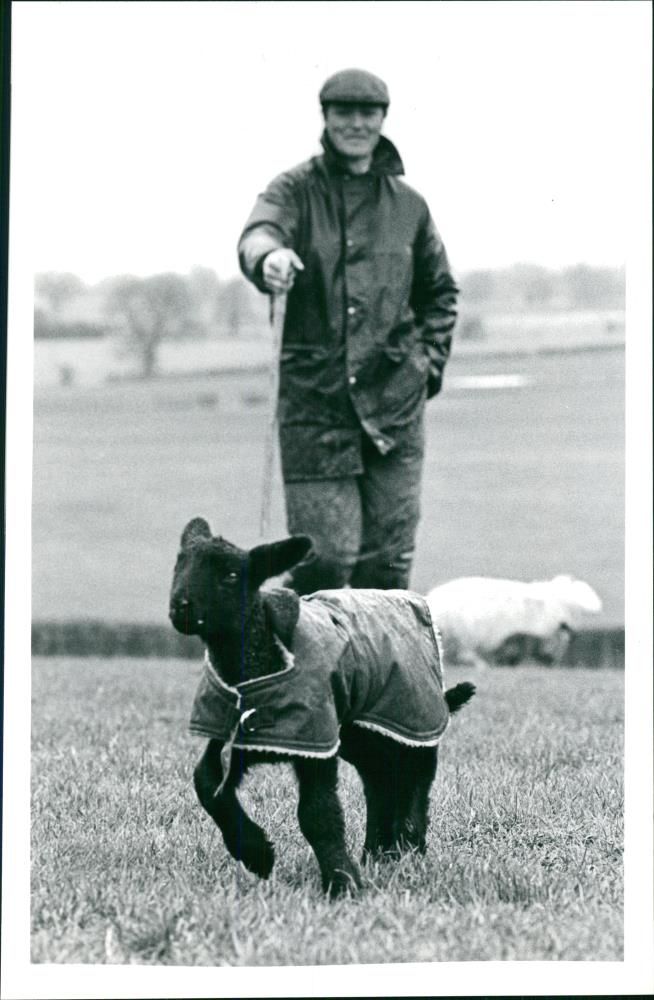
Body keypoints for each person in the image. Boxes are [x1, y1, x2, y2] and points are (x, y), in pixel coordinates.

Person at [238, 68, 458, 594]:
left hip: (395, 404)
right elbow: (259, 232)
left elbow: (440, 293)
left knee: (388, 565)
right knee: (326, 559)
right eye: (344, 112)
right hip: (316, 406)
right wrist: (269, 257)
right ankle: (300, 669)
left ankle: (376, 676)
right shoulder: (293, 189)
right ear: (326, 118)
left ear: (383, 119)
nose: (356, 123)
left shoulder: (410, 206)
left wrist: (424, 367)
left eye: (367, 113)